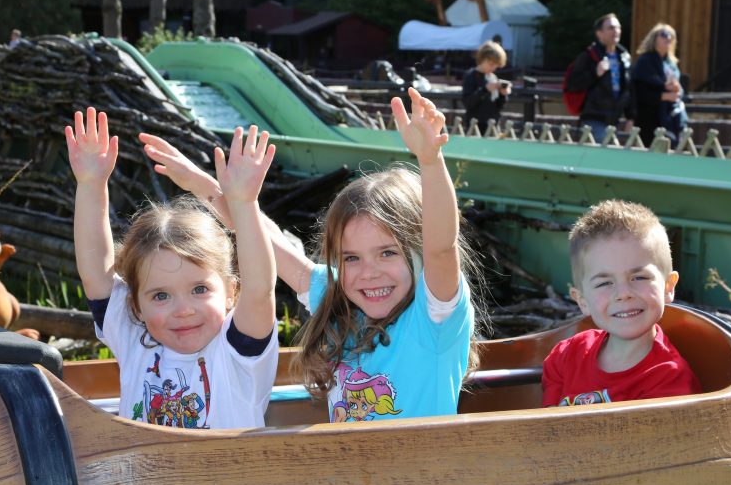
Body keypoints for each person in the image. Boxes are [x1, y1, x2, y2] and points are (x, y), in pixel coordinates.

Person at [141, 87, 482, 423]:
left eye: (387, 253)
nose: (369, 272)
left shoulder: (434, 319)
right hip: (350, 478)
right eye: (351, 258)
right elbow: (266, 237)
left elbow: (441, 247)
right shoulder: (337, 303)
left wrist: (431, 160)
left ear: (416, 251)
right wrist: (204, 186)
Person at [65, 107, 280, 429]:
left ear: (231, 292)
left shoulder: (237, 353)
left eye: (199, 289)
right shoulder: (134, 338)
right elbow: (96, 268)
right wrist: (91, 182)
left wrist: (244, 203)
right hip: (143, 480)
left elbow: (261, 289)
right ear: (136, 306)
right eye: (161, 296)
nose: (183, 310)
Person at [542, 200, 701, 407]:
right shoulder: (566, 356)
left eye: (639, 277)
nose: (623, 294)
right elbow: (545, 429)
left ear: (668, 287)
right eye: (605, 283)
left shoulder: (669, 382)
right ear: (582, 300)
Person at [564, 13, 634, 142]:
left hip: (615, 121)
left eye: (618, 28)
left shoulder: (624, 58)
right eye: (611, 28)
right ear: (599, 33)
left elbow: (629, 90)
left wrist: (631, 117)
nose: (616, 31)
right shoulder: (589, 56)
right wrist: (595, 73)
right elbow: (572, 84)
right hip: (594, 120)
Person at [632, 23, 687, 147]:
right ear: (654, 38)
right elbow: (639, 93)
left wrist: (677, 90)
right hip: (649, 121)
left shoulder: (672, 63)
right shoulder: (644, 61)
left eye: (671, 36)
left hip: (670, 119)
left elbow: (679, 92)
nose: (668, 38)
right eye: (664, 35)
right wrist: (664, 95)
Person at [461, 39, 510, 134]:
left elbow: (499, 106)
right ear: (482, 59)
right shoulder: (471, 75)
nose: (493, 68)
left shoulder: (493, 77)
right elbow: (468, 102)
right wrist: (485, 89)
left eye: (496, 65)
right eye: (491, 64)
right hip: (475, 125)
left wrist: (503, 95)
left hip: (493, 124)